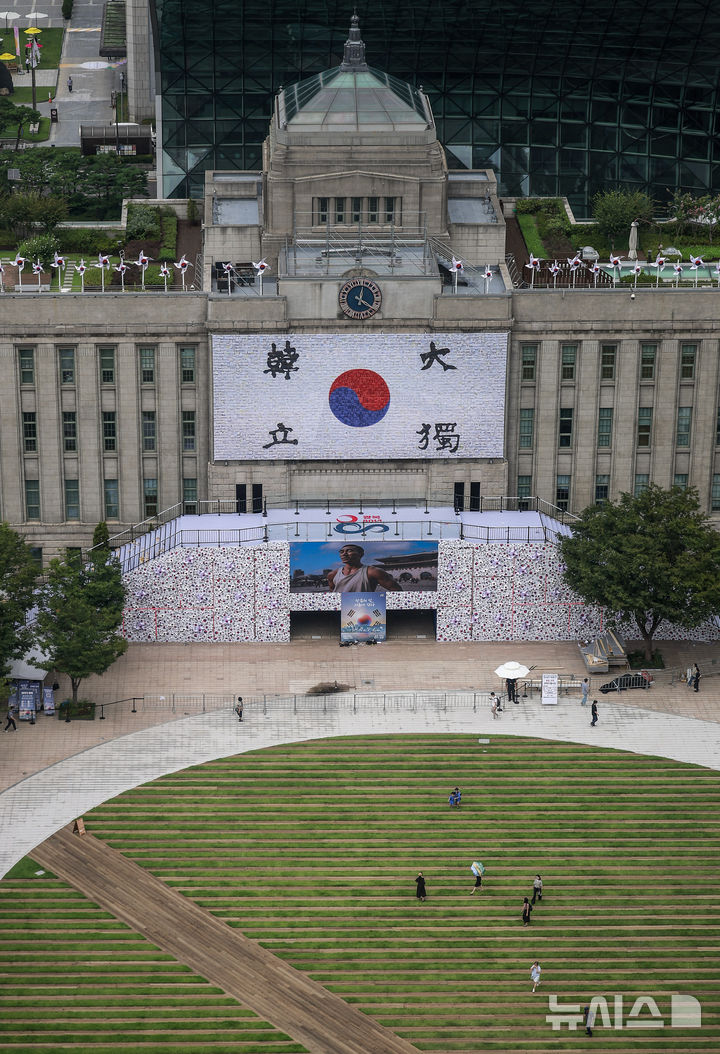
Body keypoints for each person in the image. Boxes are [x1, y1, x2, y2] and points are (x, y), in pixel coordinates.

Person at [326, 543, 403, 592]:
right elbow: (332, 593)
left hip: (364, 610)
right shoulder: (333, 574)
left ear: (361, 554)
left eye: (349, 551)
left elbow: (397, 591)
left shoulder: (373, 572)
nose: (344, 554)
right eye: (341, 552)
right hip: (342, 611)